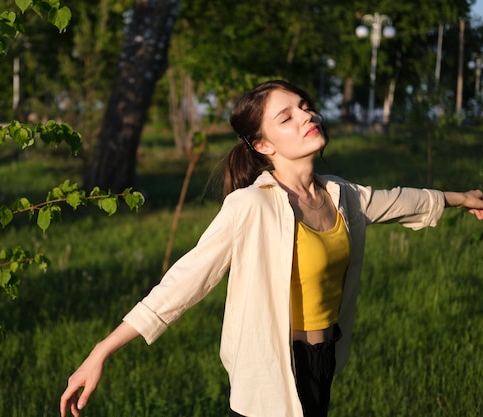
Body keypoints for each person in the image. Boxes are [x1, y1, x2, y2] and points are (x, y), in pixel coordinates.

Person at [60, 80, 483, 417]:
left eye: (304, 106)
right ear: (263, 145)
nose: (307, 115)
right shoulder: (251, 205)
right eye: (287, 116)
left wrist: (463, 198)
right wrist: (101, 352)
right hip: (273, 370)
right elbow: (184, 282)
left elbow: (399, 200)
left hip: (324, 359)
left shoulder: (341, 195)